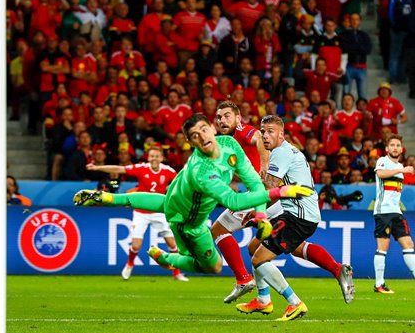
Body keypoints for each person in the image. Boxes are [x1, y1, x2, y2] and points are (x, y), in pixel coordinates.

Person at [74, 114, 313, 282]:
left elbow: (252, 183)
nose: (202, 137)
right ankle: (169, 258)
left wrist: (261, 213)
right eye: (194, 136)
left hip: (174, 203)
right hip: (189, 224)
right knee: (213, 267)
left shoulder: (229, 143)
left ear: (212, 127)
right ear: (190, 142)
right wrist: (280, 192)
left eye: (203, 130)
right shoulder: (201, 172)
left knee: (170, 207)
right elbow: (233, 201)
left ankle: (172, 258)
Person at [235, 115, 354, 321]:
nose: (264, 135)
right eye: (262, 131)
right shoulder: (285, 151)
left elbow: (269, 188)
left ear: (281, 134)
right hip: (299, 212)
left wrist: (253, 209)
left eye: (270, 131)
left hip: (298, 216)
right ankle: (264, 300)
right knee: (254, 247)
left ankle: (295, 303)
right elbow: (273, 190)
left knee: (259, 259)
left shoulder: (281, 153)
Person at [85, 145, 188, 281]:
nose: (154, 159)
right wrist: (97, 168)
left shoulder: (168, 171)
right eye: (152, 156)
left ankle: (177, 273)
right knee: (136, 245)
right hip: (141, 212)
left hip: (160, 212)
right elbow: (119, 169)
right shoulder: (142, 168)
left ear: (162, 158)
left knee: (172, 244)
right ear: (148, 157)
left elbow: (180, 184)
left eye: (157, 156)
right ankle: (129, 264)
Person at [211, 101, 270, 303]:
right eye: (219, 117)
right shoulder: (225, 144)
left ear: (238, 118)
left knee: (218, 230)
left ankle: (244, 279)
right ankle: (265, 298)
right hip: (258, 193)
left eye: (227, 115)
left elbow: (258, 138)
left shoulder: (241, 130)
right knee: (258, 249)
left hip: (259, 194)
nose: (222, 120)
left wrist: (264, 165)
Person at [372, 134, 415, 293]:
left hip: (396, 212)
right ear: (387, 148)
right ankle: (379, 284)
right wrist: (401, 169)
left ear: (401, 149)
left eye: (398, 145)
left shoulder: (400, 168)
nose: (395, 147)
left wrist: (401, 169)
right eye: (392, 145)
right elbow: (381, 174)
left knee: (409, 244)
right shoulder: (383, 161)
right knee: (383, 247)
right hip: (383, 212)